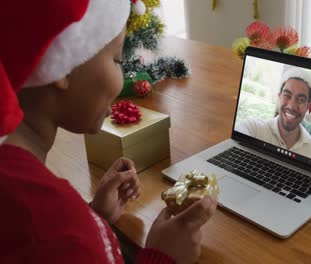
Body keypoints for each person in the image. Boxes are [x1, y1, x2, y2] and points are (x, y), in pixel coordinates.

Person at [0, 1, 216, 264]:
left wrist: (94, 217)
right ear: (64, 63)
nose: (123, 75)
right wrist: (163, 257)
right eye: (117, 59)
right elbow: (61, 243)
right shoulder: (58, 229)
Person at [237, 68, 311, 159]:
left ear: (308, 106)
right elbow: (240, 132)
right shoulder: (254, 129)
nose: (292, 106)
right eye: (287, 95)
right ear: (279, 97)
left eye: (301, 100)